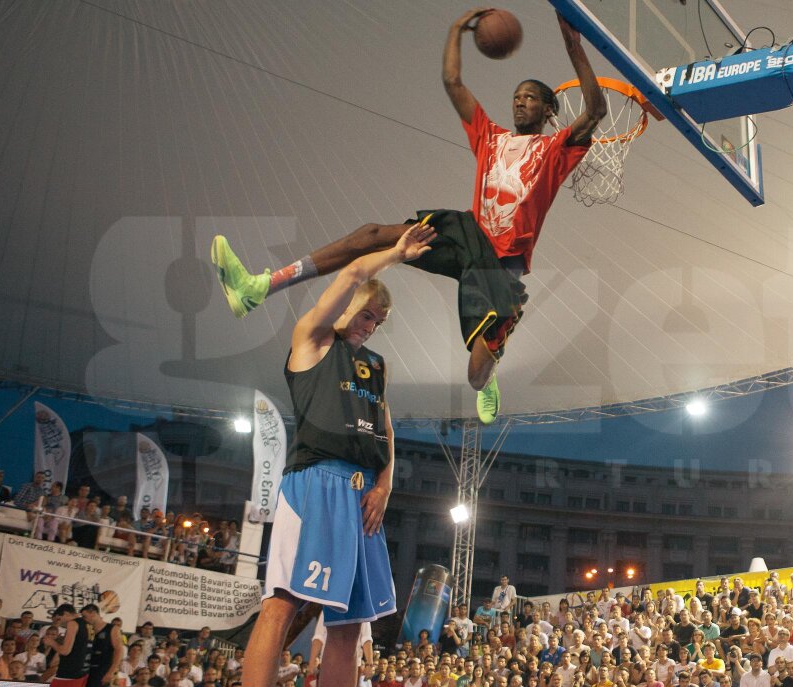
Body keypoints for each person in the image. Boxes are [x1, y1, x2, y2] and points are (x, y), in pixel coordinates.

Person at [211, 12, 606, 424]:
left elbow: (596, 108)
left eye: (529, 97)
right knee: (372, 235)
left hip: (501, 262)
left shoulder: (556, 149)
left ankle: (494, 360)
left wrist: (573, 46)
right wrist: (457, 31)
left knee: (474, 377)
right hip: (467, 234)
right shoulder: (491, 137)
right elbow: (453, 82)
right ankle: (261, 286)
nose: (519, 101)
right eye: (516, 96)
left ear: (547, 109)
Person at [227, 225, 431, 687]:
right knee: (282, 605)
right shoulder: (312, 340)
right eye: (366, 316)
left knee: (350, 625)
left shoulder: (376, 367)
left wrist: (386, 483)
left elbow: (387, 427)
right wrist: (393, 253)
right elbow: (349, 274)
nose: (369, 326)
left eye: (377, 322)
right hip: (314, 484)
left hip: (363, 496)